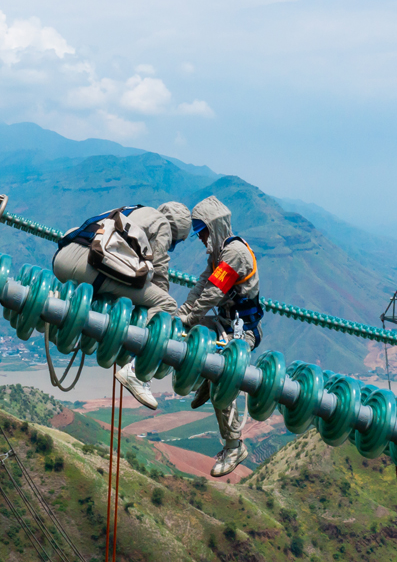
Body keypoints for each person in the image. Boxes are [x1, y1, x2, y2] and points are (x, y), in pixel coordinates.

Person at [53, 202, 191, 409]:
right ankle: (135, 371)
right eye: (175, 242)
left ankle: (56, 304)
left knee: (117, 290)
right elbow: (160, 272)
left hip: (63, 258)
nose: (172, 246)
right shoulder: (162, 225)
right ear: (176, 229)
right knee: (166, 304)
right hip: (89, 267)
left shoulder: (133, 209)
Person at [176, 196, 264, 477]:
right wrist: (183, 315)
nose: (201, 238)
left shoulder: (234, 254)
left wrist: (190, 315)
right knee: (189, 329)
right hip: (225, 322)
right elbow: (202, 284)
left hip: (242, 331)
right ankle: (204, 377)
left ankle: (234, 445)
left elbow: (214, 291)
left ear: (213, 228)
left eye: (202, 232)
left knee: (223, 387)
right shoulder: (218, 254)